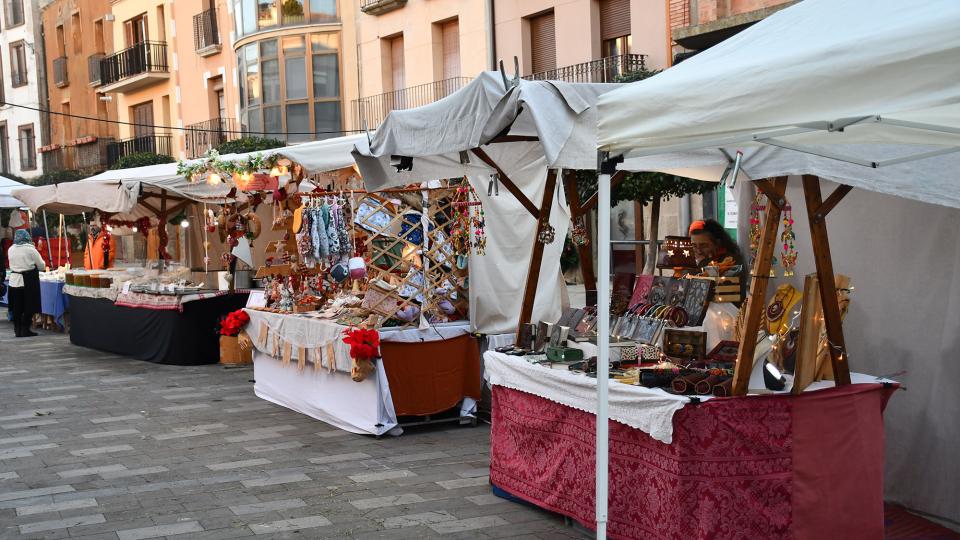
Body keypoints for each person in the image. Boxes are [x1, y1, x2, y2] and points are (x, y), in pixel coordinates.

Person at [7, 229, 45, 337]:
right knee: (29, 305)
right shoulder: (31, 249)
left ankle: (17, 329)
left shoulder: (10, 249)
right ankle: (25, 329)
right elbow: (41, 265)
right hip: (27, 280)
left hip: (14, 281)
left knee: (16, 307)